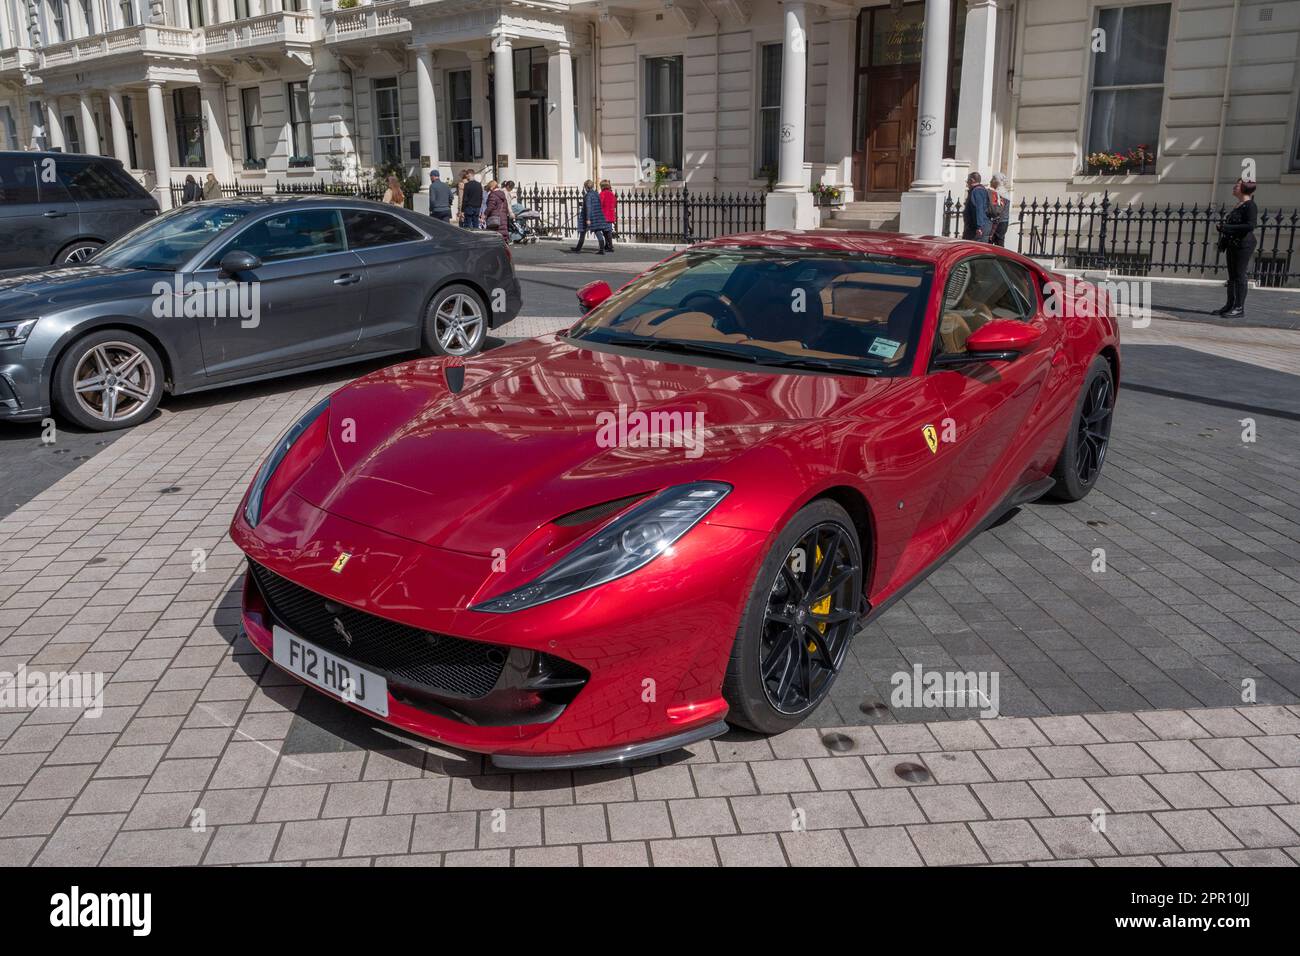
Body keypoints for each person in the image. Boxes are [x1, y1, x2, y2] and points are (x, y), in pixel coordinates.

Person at [1215, 178, 1258, 318]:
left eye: (1238, 185)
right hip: (1233, 244)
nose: (1234, 186)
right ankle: (1230, 305)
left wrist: (1226, 227)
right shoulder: (1239, 205)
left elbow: (1250, 226)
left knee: (1240, 275)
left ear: (1245, 188)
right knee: (1232, 276)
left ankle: (1239, 308)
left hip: (1244, 244)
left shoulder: (1250, 205)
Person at [571, 180, 610, 254]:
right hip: (597, 215)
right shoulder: (596, 194)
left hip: (589, 216)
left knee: (582, 231)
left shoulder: (588, 195)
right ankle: (601, 250)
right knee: (598, 232)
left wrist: (588, 219)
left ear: (586, 187)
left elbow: (588, 207)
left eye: (585, 187)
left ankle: (578, 249)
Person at [962, 171, 991, 241]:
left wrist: (979, 227)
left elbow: (979, 209)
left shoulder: (977, 191)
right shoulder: (981, 190)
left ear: (972, 180)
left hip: (977, 229)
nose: (967, 183)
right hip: (978, 227)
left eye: (967, 180)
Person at [987, 172, 1010, 247]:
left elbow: (998, 211)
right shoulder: (1005, 192)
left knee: (994, 244)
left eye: (992, 179)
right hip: (1003, 222)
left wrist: (994, 227)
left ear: (996, 181)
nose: (990, 181)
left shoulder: (998, 193)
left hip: (999, 222)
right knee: (999, 244)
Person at [599, 180, 617, 252]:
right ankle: (607, 245)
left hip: (604, 215)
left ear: (602, 186)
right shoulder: (611, 194)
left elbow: (600, 203)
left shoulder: (602, 194)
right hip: (610, 214)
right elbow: (615, 204)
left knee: (605, 232)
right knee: (608, 231)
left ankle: (610, 246)